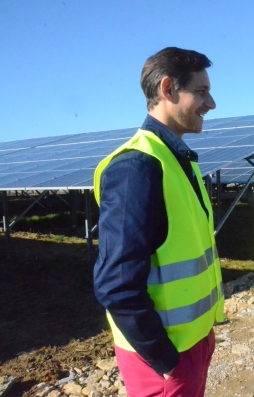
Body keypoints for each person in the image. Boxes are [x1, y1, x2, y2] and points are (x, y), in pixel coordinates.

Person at [93, 47, 223, 397]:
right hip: (164, 359)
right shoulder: (136, 167)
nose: (211, 103)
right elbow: (116, 286)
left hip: (191, 343)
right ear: (168, 89)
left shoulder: (180, 161)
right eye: (201, 91)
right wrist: (165, 359)